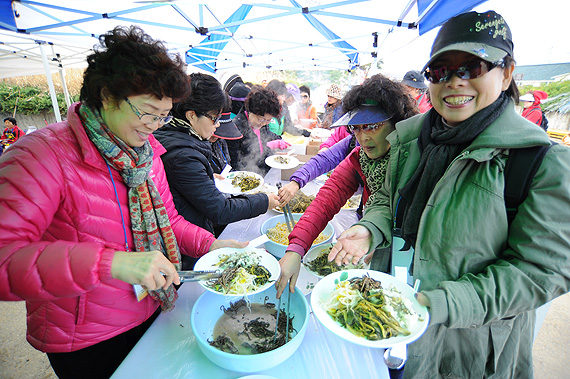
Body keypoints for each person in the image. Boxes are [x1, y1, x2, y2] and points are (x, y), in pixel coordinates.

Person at [328, 11, 570, 378]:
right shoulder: (410, 140)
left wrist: (444, 302)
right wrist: (371, 228)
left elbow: (542, 270)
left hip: (468, 344)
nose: (454, 81)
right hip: (392, 310)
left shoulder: (539, 161)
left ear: (506, 73)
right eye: (440, 71)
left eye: (472, 67)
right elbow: (387, 198)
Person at [0, 26, 246, 379]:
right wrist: (110, 264)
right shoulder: (40, 156)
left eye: (163, 115)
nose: (155, 125)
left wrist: (212, 244)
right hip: (87, 338)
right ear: (107, 94)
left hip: (152, 310)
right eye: (148, 112)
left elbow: (170, 221)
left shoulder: (147, 154)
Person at [276, 73, 418, 298]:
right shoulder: (358, 157)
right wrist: (296, 248)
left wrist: (375, 235)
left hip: (407, 249)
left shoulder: (415, 157)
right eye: (357, 128)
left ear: (396, 122)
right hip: (369, 232)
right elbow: (325, 201)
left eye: (371, 126)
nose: (362, 137)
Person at [154, 73, 278, 264]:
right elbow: (220, 210)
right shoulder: (183, 154)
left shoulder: (181, 141)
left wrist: (204, 175)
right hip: (186, 247)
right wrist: (264, 201)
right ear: (191, 116)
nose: (218, 125)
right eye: (214, 118)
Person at [226, 87, 290, 176]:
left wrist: (272, 150)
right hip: (247, 175)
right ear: (250, 110)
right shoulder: (236, 128)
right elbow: (234, 163)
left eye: (268, 120)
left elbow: (262, 144)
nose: (264, 123)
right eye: (261, 119)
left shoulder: (262, 124)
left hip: (263, 171)